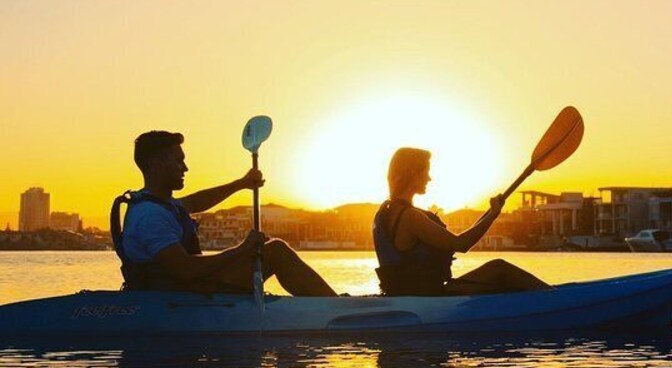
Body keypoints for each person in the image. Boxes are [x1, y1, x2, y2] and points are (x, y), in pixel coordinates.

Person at [111, 130, 336, 296]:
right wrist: (243, 249)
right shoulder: (150, 216)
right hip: (186, 290)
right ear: (156, 164)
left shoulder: (162, 204)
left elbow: (197, 200)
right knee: (276, 251)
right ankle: (333, 307)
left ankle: (327, 303)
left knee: (273, 249)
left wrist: (242, 184)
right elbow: (186, 270)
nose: (185, 168)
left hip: (192, 284)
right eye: (178, 160)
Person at [373, 147, 551, 296]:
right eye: (426, 172)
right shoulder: (411, 217)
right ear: (412, 174)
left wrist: (489, 214)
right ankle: (555, 300)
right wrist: (493, 214)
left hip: (406, 295)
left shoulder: (385, 213)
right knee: (499, 268)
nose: (429, 178)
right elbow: (462, 243)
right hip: (430, 298)